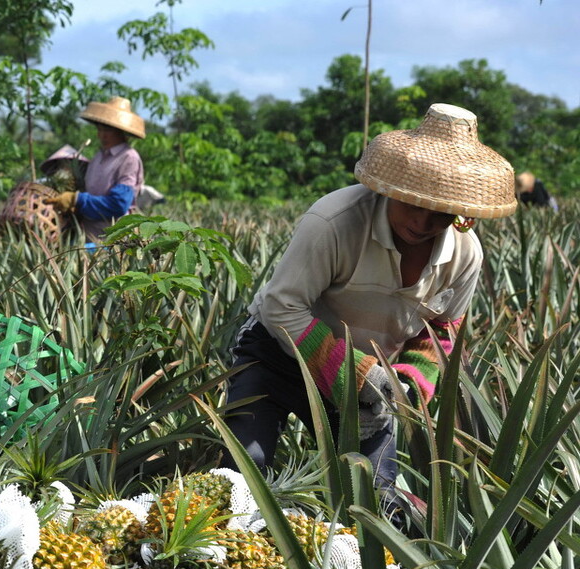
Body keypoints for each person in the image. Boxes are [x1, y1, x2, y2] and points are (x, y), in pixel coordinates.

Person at [221, 103, 515, 504]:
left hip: (373, 388)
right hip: (277, 355)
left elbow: (444, 332)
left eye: (442, 214)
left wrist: (405, 389)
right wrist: (360, 376)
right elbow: (281, 307)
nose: (424, 224)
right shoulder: (334, 222)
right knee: (245, 470)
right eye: (414, 204)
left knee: (374, 499)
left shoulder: (466, 255)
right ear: (392, 189)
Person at [45, 96, 145, 243]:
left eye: (108, 129)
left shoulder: (128, 158)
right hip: (87, 236)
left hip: (112, 241)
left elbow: (119, 204)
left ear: (120, 131)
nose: (101, 135)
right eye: (100, 128)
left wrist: (77, 199)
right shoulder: (98, 157)